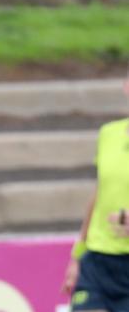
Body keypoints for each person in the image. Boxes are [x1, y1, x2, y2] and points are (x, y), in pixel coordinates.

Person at [61, 76, 129, 311]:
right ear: (126, 86)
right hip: (98, 259)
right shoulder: (109, 134)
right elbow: (101, 192)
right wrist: (78, 255)